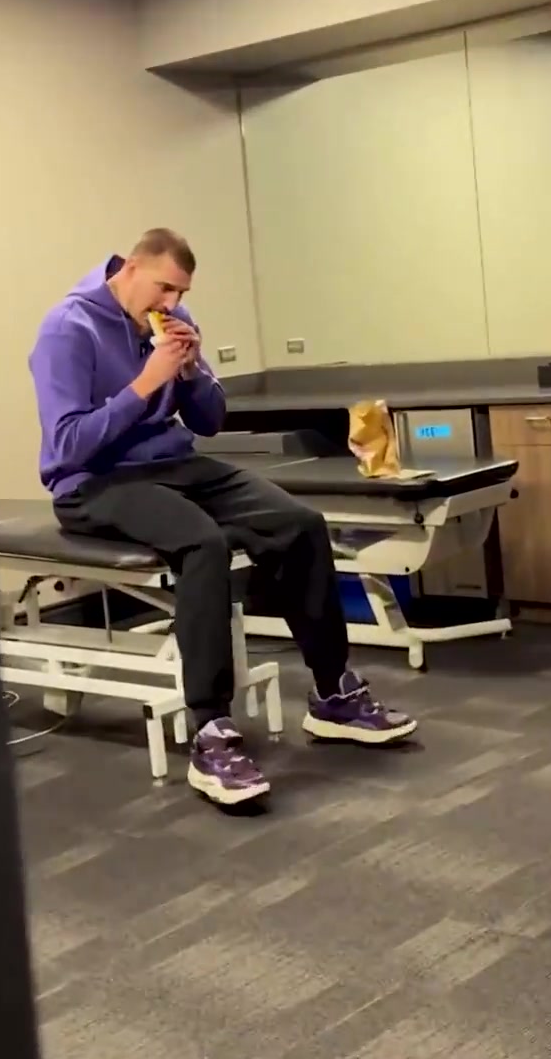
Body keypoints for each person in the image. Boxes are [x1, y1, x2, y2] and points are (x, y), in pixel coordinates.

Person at [28, 228, 417, 806]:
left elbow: (209, 422)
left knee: (300, 524)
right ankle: (210, 731)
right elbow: (66, 446)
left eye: (180, 293)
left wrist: (189, 373)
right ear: (129, 268)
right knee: (202, 543)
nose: (171, 303)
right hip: (95, 483)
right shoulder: (68, 328)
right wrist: (147, 383)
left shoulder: (171, 319)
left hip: (174, 465)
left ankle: (333, 694)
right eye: (163, 288)